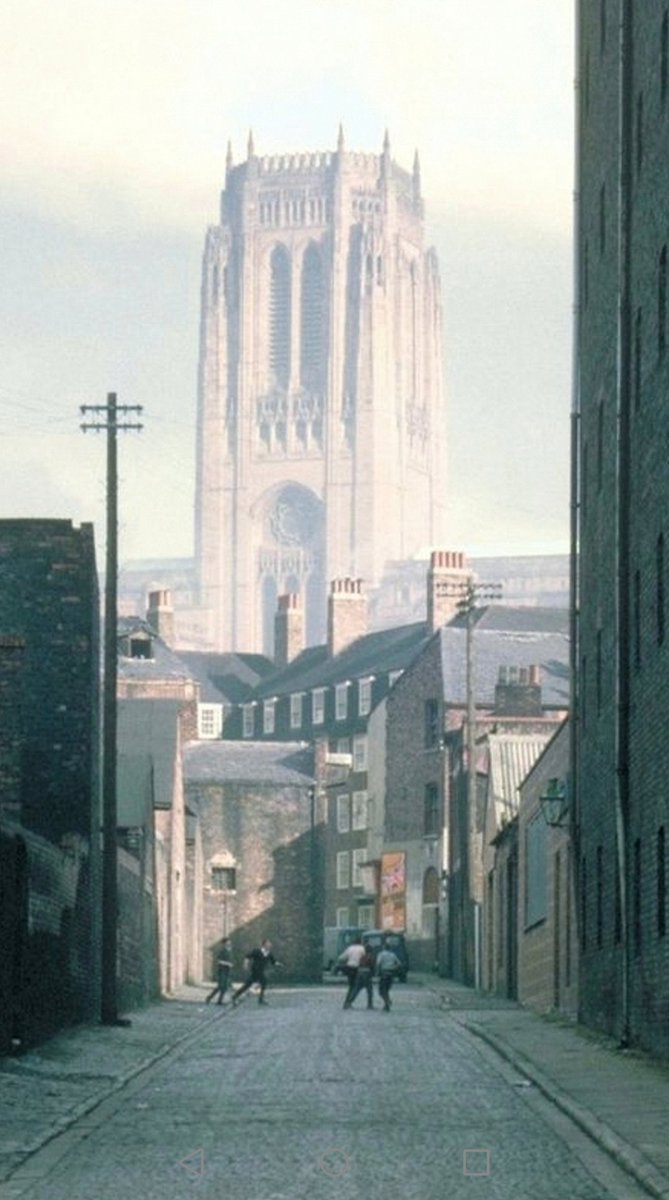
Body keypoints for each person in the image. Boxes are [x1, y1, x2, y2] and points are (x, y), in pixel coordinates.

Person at [231, 939, 281, 1006]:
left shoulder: (269, 953)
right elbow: (247, 956)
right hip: (255, 971)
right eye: (268, 944)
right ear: (264, 945)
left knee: (261, 983)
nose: (270, 945)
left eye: (270, 944)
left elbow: (273, 962)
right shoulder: (257, 951)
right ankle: (235, 996)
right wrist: (245, 964)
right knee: (249, 985)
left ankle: (259, 999)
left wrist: (278, 964)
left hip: (261, 971)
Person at [337, 938, 368, 1009]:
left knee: (351, 986)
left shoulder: (350, 948)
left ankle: (347, 1001)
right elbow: (365, 958)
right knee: (356, 986)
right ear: (360, 942)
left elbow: (341, 958)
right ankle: (349, 1002)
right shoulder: (362, 949)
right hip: (358, 969)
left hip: (349, 967)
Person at [344, 946, 375, 1010]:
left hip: (359, 972)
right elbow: (372, 966)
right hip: (367, 973)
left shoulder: (362, 957)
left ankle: (348, 1002)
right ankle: (370, 1005)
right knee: (369, 990)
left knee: (356, 989)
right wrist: (373, 974)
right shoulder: (370, 957)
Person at [205, 938, 233, 1005]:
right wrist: (227, 964)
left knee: (224, 987)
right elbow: (219, 961)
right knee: (221, 986)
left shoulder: (229, 951)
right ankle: (211, 998)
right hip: (222, 971)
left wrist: (230, 964)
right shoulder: (222, 951)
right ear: (224, 944)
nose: (229, 944)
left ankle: (217, 1000)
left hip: (227, 971)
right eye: (227, 943)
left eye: (229, 943)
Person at [375, 945, 401, 1011]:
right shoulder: (393, 955)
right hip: (391, 973)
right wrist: (393, 968)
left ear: (384, 948)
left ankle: (387, 1002)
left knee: (381, 991)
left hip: (384, 973)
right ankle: (386, 1004)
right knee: (386, 989)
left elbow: (378, 963)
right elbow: (399, 964)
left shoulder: (381, 954)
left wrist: (377, 972)